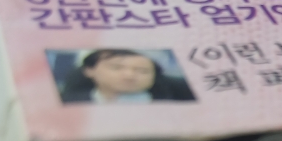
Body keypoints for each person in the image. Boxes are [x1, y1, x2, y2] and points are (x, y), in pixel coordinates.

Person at [60, 50, 197, 104]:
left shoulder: (173, 104)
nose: (129, 76)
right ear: (89, 70)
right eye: (116, 67)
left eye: (143, 71)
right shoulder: (68, 102)